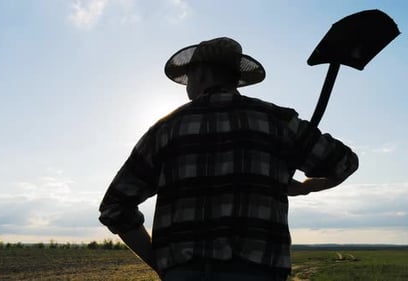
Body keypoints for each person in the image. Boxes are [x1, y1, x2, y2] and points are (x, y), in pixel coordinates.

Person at [98, 37, 358, 281]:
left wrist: (162, 265)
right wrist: (305, 188)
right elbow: (345, 163)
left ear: (201, 73)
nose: (187, 85)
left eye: (189, 77)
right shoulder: (279, 122)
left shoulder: (166, 129)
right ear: (235, 78)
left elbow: (115, 207)